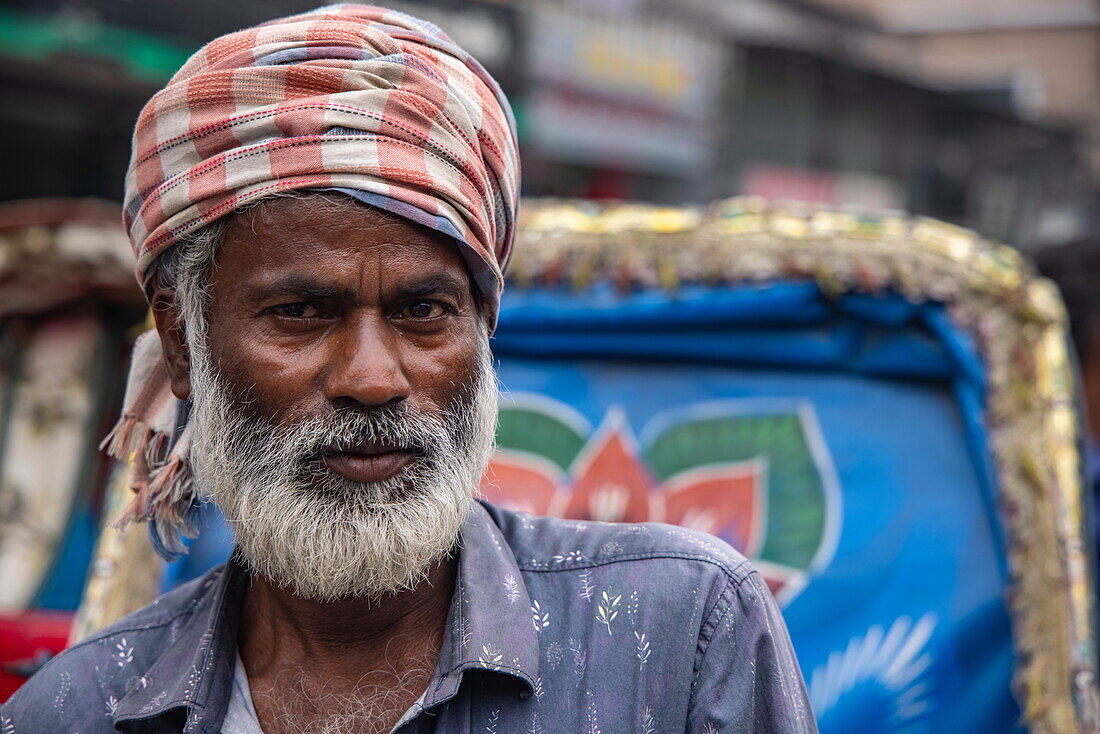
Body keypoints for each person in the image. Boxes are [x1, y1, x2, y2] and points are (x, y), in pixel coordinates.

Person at [0, 6, 815, 733]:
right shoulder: (79, 710)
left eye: (424, 313)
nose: (372, 379)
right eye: (301, 313)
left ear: (482, 330)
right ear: (184, 344)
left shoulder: (682, 635)